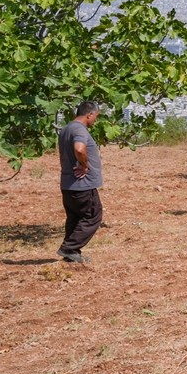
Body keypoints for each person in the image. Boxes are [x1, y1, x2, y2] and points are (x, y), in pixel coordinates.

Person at [57, 101, 104, 263]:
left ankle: (71, 254)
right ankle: (69, 248)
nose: (95, 120)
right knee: (93, 216)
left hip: (68, 184)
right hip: (82, 185)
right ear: (89, 115)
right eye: (95, 117)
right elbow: (79, 148)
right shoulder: (78, 129)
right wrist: (84, 165)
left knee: (75, 218)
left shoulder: (66, 129)